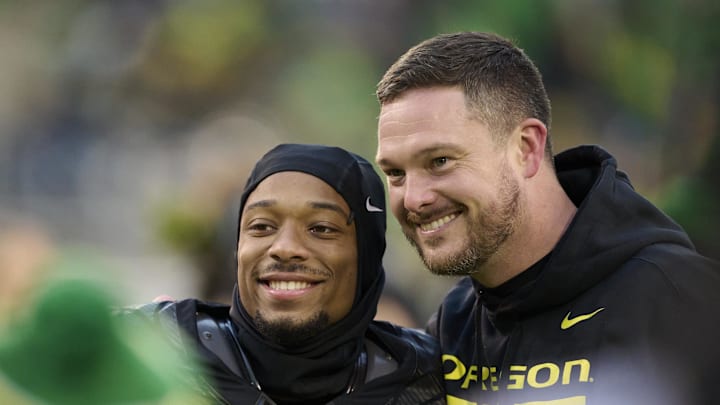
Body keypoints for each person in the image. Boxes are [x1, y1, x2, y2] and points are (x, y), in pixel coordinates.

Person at [375, 31, 720, 404]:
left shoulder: (675, 297)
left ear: (526, 148)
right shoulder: (454, 321)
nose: (413, 198)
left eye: (440, 161)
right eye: (395, 173)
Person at [130, 143, 446, 404]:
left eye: (321, 228)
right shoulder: (153, 347)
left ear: (367, 257)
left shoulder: (424, 380)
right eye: (262, 226)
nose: (284, 248)